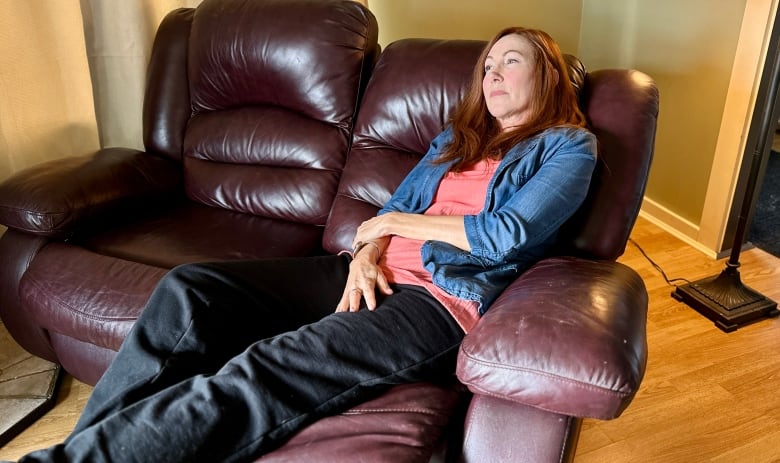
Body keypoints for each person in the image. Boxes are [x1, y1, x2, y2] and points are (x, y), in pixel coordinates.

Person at [14, 26, 597, 462]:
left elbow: (506, 235)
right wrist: (367, 250)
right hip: (363, 271)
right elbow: (392, 210)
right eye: (488, 64)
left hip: (436, 302)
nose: (491, 74)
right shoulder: (455, 138)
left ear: (546, 74)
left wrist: (386, 229)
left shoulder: (568, 147)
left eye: (510, 62)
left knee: (263, 368)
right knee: (192, 288)